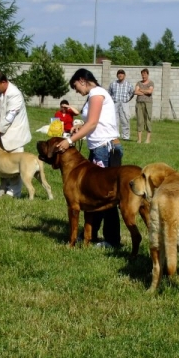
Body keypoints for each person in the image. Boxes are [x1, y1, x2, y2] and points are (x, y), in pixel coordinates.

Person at [56, 68, 123, 248]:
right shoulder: (94, 94)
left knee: (107, 195)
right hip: (99, 148)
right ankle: (90, 235)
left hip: (105, 149)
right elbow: (94, 122)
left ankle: (112, 240)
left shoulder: (97, 93)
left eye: (76, 86)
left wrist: (69, 140)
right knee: (95, 193)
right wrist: (80, 128)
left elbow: (93, 123)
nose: (76, 90)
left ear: (82, 80)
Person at [0, 71, 32, 197]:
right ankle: (3, 190)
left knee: (16, 166)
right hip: (2, 134)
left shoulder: (15, 94)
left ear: (4, 82)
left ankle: (14, 193)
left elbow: (9, 117)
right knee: (3, 164)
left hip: (15, 135)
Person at [108, 69, 134, 141]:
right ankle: (115, 135)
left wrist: (127, 100)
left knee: (125, 119)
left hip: (124, 104)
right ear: (117, 75)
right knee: (114, 120)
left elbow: (132, 93)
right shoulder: (113, 84)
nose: (120, 75)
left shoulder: (128, 84)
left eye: (122, 74)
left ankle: (126, 137)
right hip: (115, 103)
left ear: (124, 75)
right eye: (119, 74)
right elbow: (109, 93)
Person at [134, 68, 154, 144]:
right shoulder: (139, 83)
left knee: (147, 120)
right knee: (139, 120)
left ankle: (148, 139)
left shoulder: (151, 83)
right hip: (139, 103)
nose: (143, 76)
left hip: (148, 103)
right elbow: (136, 92)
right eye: (142, 74)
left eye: (145, 74)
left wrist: (141, 90)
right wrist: (144, 91)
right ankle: (139, 139)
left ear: (147, 74)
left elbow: (150, 91)